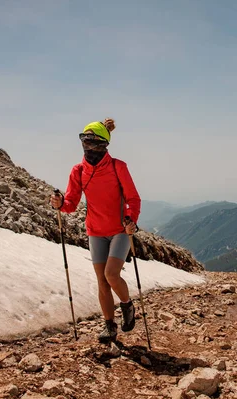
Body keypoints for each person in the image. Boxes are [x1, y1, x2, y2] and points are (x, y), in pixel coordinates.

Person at [50, 118, 141, 343]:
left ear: (104, 145)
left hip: (120, 229)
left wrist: (131, 219)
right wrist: (60, 203)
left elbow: (132, 198)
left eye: (94, 143)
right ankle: (109, 326)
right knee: (102, 281)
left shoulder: (117, 167)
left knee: (111, 275)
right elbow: (71, 203)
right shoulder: (78, 171)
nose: (89, 148)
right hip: (95, 231)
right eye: (85, 142)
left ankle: (127, 304)